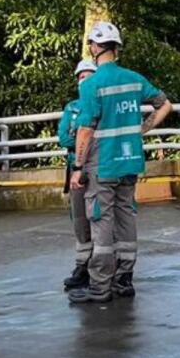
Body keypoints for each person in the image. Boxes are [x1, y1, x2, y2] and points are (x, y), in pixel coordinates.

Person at [67, 22, 172, 304]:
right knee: (127, 217)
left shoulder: (92, 84)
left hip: (103, 164)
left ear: (95, 47)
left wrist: (77, 167)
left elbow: (86, 129)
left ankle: (100, 286)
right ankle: (125, 278)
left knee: (101, 220)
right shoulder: (134, 79)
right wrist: (143, 128)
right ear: (117, 47)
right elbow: (165, 104)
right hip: (131, 161)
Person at [59, 59, 97, 290]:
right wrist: (84, 140)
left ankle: (102, 267)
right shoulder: (71, 108)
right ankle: (82, 266)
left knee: (102, 218)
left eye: (89, 76)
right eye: (81, 77)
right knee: (80, 219)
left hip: (98, 168)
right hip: (75, 169)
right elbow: (64, 137)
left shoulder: (101, 104)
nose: (84, 80)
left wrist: (83, 140)